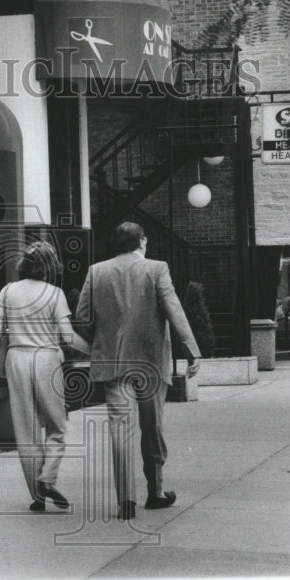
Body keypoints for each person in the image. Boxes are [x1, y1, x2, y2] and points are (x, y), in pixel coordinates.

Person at [75, 222, 201, 521]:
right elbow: (174, 309)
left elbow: (81, 316)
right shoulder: (157, 269)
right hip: (150, 361)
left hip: (112, 363)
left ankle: (125, 500)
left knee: (120, 431)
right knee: (152, 428)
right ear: (142, 241)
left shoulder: (96, 271)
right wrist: (191, 349)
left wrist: (101, 342)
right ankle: (155, 491)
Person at [0, 242, 87, 512]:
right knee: (57, 425)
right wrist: (94, 351)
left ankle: (37, 496)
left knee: (26, 428)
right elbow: (68, 337)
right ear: (50, 266)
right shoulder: (55, 293)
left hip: (17, 358)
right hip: (46, 358)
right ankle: (48, 476)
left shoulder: (8, 290)